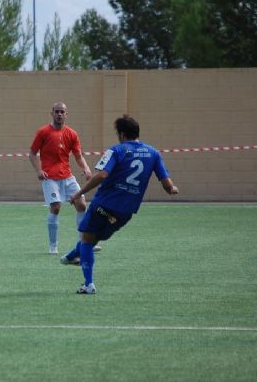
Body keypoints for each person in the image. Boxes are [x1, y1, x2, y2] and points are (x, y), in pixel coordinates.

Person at [60, 115, 179, 294]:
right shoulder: (153, 153)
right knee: (94, 239)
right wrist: (172, 189)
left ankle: (88, 284)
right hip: (125, 212)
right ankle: (70, 257)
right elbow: (167, 184)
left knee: (86, 239)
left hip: (104, 204)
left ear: (121, 134)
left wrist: (79, 193)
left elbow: (101, 175)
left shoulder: (116, 150)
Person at [29, 101, 98, 255]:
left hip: (67, 176)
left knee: (81, 205)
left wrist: (86, 168)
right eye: (57, 111)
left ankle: (84, 243)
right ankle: (53, 246)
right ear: (52, 113)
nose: (59, 114)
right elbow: (32, 153)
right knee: (56, 207)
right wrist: (39, 170)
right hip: (49, 177)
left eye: (62, 112)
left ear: (66, 114)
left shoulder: (72, 134)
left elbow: (78, 155)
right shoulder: (43, 132)